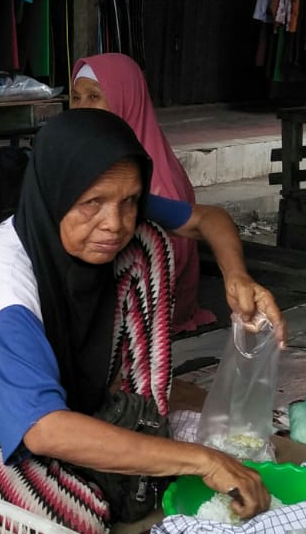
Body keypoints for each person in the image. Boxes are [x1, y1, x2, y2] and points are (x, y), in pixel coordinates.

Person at [0, 111, 286, 534]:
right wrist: (201, 460)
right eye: (93, 204)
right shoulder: (5, 291)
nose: (114, 222)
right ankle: (104, 464)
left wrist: (237, 275)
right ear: (56, 192)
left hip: (57, 409)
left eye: (129, 201)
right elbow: (44, 429)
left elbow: (208, 219)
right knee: (79, 521)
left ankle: (129, 415)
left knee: (148, 241)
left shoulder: (109, 203)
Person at [69, 54, 215, 334]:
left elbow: (174, 257)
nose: (82, 108)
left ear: (127, 100)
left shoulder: (153, 174)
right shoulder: (93, 153)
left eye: (94, 96)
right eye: (76, 97)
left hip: (149, 310)